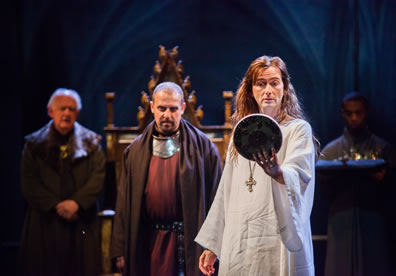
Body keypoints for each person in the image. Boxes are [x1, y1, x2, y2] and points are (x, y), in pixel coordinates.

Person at [195, 55, 318, 276]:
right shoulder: (240, 136)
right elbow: (226, 192)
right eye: (261, 84)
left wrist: (280, 173)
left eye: (274, 83)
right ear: (252, 90)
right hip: (241, 237)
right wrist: (213, 244)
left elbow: (300, 173)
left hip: (277, 236)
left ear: (284, 88)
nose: (268, 90)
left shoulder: (298, 130)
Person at [110, 82, 222, 276]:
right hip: (148, 242)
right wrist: (120, 248)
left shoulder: (204, 149)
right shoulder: (134, 152)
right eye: (161, 108)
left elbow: (218, 200)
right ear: (152, 107)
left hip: (190, 241)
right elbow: (123, 204)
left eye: (173, 109)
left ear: (183, 109)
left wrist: (214, 244)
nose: (167, 115)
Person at [18, 88, 106, 276]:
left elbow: (98, 177)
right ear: (51, 111)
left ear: (78, 113)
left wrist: (76, 203)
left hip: (81, 221)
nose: (66, 113)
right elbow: (29, 183)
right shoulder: (34, 145)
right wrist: (55, 205)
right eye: (62, 108)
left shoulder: (92, 143)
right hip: (45, 222)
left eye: (71, 109)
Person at [319, 91, 396, 276]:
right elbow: (322, 186)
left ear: (366, 112)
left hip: (372, 216)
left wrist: (384, 178)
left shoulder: (382, 148)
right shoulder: (331, 151)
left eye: (358, 113)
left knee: (375, 265)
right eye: (349, 113)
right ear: (342, 113)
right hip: (341, 217)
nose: (354, 118)